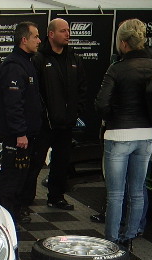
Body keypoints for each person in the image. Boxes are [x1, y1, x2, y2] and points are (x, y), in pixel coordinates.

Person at [94, 18, 152, 251]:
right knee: (138, 191)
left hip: (118, 134)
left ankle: (111, 243)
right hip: (145, 134)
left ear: (123, 43)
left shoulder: (116, 68)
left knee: (116, 194)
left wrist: (113, 116)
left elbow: (101, 104)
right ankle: (128, 239)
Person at [26, 18, 87, 211]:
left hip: (66, 123)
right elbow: (32, 92)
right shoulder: (39, 59)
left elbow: (82, 88)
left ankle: (56, 197)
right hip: (44, 124)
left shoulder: (74, 59)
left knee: (61, 163)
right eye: (63, 31)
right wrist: (41, 116)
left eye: (68, 30)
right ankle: (25, 200)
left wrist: (75, 111)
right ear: (51, 34)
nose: (68, 34)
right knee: (35, 163)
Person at [0, 21, 43, 226]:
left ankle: (14, 215)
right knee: (11, 179)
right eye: (35, 36)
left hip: (28, 134)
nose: (39, 41)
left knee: (22, 178)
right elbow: (13, 104)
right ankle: (5, 221)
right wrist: (20, 133)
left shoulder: (27, 63)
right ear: (24, 40)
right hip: (17, 137)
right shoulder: (14, 66)